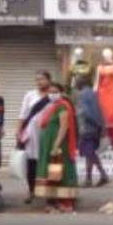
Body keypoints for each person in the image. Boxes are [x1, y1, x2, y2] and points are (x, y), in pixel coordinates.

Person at [34, 82, 79, 213]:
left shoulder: (62, 106)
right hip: (48, 145)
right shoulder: (52, 106)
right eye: (50, 92)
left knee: (60, 172)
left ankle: (66, 202)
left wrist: (56, 144)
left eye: (55, 92)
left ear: (61, 93)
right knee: (52, 173)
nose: (52, 94)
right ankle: (53, 201)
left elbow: (64, 127)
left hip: (58, 145)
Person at [17, 70, 53, 204]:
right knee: (31, 163)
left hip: (48, 134)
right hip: (31, 134)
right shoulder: (30, 95)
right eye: (37, 79)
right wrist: (18, 131)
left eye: (42, 79)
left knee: (47, 162)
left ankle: (49, 192)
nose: (39, 82)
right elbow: (23, 114)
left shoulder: (53, 95)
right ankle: (31, 190)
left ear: (49, 80)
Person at [74, 76, 110, 187]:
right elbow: (99, 110)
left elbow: (86, 112)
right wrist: (101, 125)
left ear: (80, 83)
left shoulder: (82, 95)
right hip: (95, 128)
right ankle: (94, 177)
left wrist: (97, 124)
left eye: (76, 82)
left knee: (89, 153)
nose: (74, 85)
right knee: (90, 153)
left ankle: (99, 176)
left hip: (87, 128)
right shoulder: (93, 93)